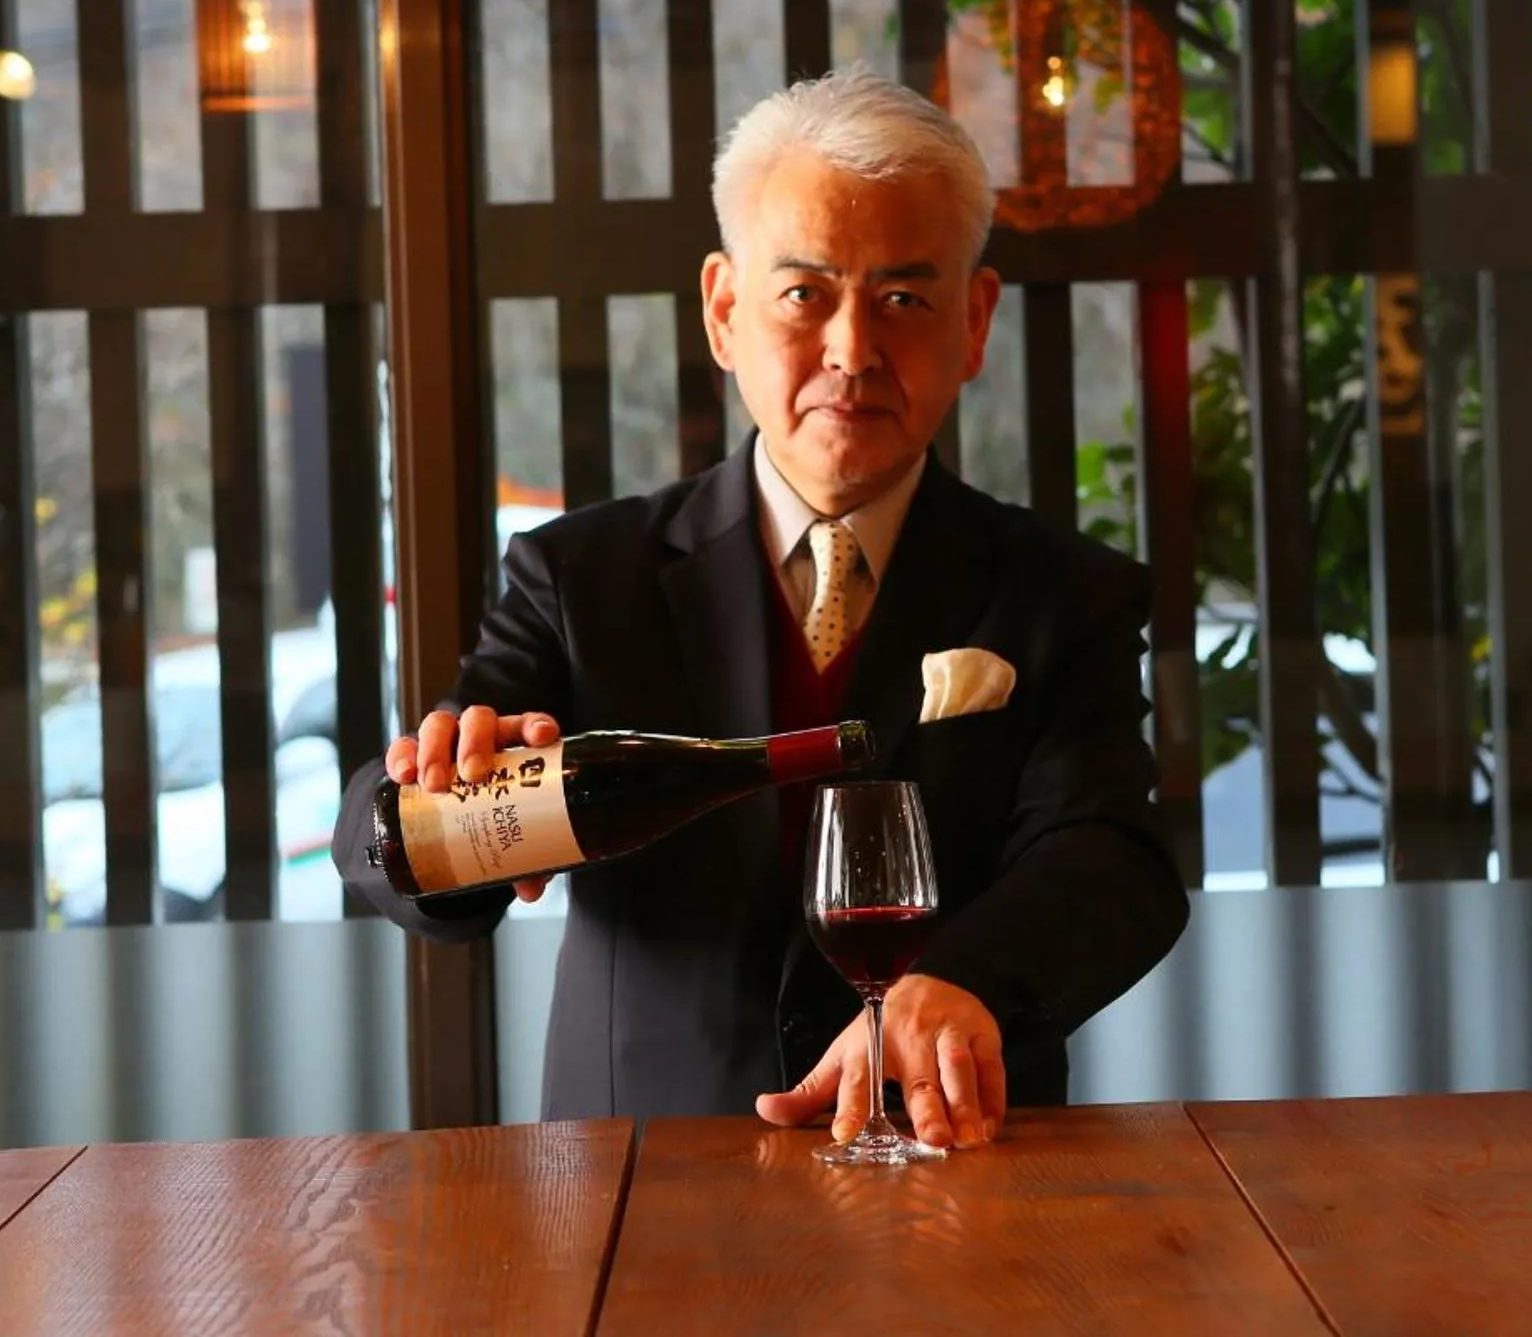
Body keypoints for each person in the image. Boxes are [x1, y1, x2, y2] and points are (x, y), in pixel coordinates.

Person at [334, 66, 1187, 1150]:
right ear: (724, 310)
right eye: (804, 293)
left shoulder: (1064, 591)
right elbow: (382, 841)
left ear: (973, 322)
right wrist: (433, 802)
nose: (851, 349)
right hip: (638, 1179)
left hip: (955, 1170)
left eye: (903, 297)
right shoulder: (578, 578)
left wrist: (958, 978)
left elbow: (1112, 856)